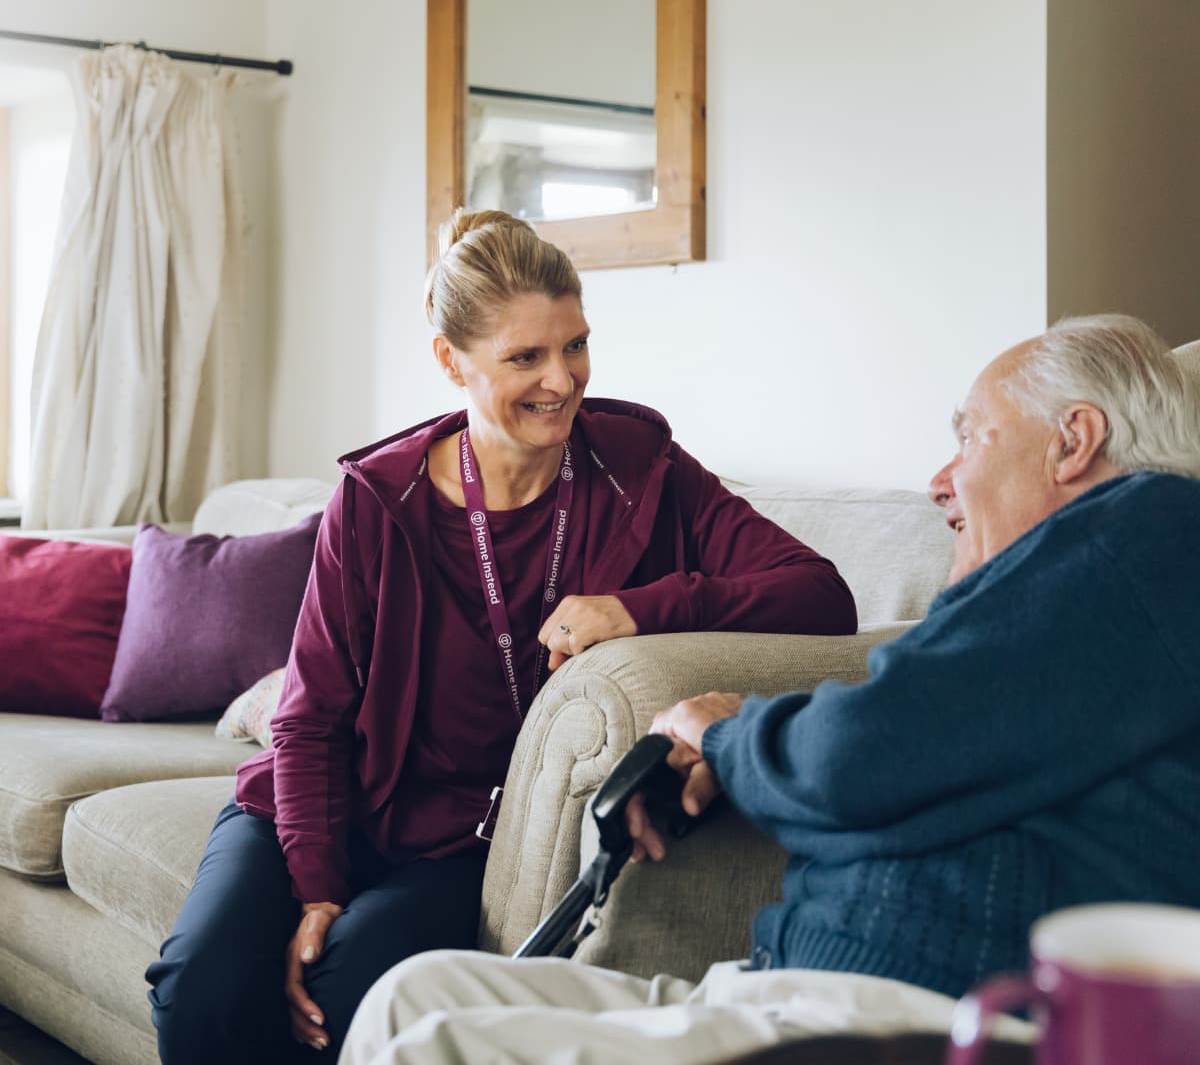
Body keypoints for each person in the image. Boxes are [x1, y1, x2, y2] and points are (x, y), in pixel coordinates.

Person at [338, 314, 1200, 1065]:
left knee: (437, 1046)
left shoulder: (1148, 536)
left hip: (908, 1012)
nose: (940, 480)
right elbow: (913, 737)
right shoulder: (1060, 609)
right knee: (413, 994)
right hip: (797, 986)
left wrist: (729, 736)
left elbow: (861, 754)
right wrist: (750, 749)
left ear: (1074, 439)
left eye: (970, 437)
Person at [145, 209, 857, 1063]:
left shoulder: (641, 468)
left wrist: (636, 610)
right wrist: (317, 889)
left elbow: (820, 594)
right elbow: (310, 716)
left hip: (462, 840)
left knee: (343, 996)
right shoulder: (377, 500)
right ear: (453, 361)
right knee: (201, 993)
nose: (563, 381)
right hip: (324, 805)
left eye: (577, 345)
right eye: (526, 357)